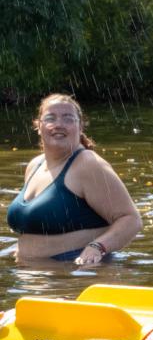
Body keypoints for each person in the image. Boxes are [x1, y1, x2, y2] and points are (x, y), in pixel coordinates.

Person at [8, 93, 142, 267]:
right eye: (50, 118)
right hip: (34, 275)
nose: (58, 125)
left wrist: (97, 247)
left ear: (80, 127)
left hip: (76, 272)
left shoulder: (88, 164)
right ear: (38, 126)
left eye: (68, 119)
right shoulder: (34, 165)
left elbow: (131, 219)